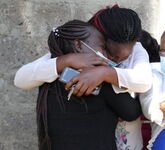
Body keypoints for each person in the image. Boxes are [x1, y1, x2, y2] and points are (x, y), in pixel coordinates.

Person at [14, 6, 151, 150]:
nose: (111, 59)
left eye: (121, 57)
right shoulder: (63, 62)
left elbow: (143, 80)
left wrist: (103, 73)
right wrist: (66, 60)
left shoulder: (135, 51)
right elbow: (21, 78)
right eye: (107, 50)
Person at [36, 20, 141, 150]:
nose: (106, 54)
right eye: (102, 46)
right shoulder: (95, 78)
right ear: (79, 45)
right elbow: (131, 112)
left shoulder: (47, 76)